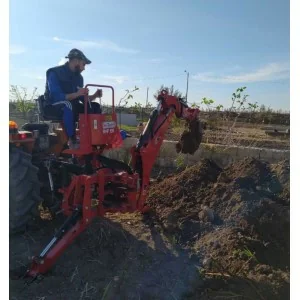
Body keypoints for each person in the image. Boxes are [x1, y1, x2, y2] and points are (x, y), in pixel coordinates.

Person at [44, 48, 102, 149]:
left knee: (94, 107)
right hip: (53, 105)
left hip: (70, 105)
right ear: (75, 61)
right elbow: (56, 96)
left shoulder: (79, 78)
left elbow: (83, 99)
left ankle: (93, 137)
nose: (84, 68)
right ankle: (72, 140)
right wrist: (77, 94)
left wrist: (95, 96)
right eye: (83, 64)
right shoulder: (54, 72)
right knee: (68, 104)